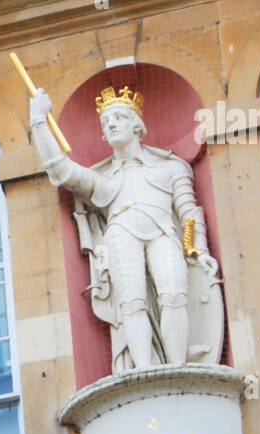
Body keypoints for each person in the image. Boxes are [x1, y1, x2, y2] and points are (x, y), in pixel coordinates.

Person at [29, 84, 220, 372]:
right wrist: (38, 122)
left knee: (174, 295)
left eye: (118, 117)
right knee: (131, 303)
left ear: (137, 124)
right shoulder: (103, 178)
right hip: (121, 235)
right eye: (106, 122)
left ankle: (178, 368)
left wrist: (199, 248)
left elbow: (188, 211)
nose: (111, 124)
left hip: (164, 233)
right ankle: (144, 370)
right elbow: (60, 170)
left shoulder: (172, 167)